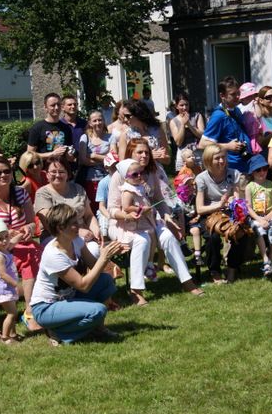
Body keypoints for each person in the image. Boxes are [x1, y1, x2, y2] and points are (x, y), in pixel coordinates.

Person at [109, 139, 203, 297]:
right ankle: (136, 290)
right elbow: (112, 209)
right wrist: (128, 214)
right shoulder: (120, 175)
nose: (144, 155)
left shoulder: (151, 172)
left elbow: (159, 201)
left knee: (168, 237)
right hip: (124, 224)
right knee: (142, 241)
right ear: (130, 154)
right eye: (139, 152)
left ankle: (187, 281)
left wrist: (167, 216)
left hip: (149, 219)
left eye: (146, 152)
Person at [28, 204, 124, 346]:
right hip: (46, 307)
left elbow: (94, 265)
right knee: (98, 311)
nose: (79, 225)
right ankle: (58, 332)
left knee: (105, 280)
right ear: (61, 228)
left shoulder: (76, 241)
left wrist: (111, 255)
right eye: (74, 224)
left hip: (68, 297)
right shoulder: (53, 255)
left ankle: (98, 328)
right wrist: (104, 258)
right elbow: (83, 286)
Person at [0, 155, 41, 329]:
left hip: (23, 243)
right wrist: (11, 235)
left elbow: (31, 221)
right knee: (31, 256)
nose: (3, 175)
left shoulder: (20, 192)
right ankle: (30, 311)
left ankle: (36, 307)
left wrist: (28, 228)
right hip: (0, 250)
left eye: (6, 171)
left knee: (36, 252)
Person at [195, 144, 243, 284]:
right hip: (210, 213)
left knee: (239, 231)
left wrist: (233, 201)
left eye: (223, 157)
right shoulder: (201, 178)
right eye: (217, 158)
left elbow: (236, 197)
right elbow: (199, 209)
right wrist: (218, 205)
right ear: (209, 160)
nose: (221, 161)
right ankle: (214, 270)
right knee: (212, 237)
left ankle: (232, 267)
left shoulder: (233, 173)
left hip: (228, 211)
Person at [34, 159, 100, 254]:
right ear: (47, 174)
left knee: (94, 250)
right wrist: (77, 231)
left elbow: (89, 216)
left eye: (61, 172)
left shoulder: (78, 189)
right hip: (56, 236)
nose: (57, 175)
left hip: (84, 234)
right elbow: (50, 223)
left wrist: (96, 230)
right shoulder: (42, 193)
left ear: (68, 174)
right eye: (53, 172)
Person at [116, 159, 158, 303]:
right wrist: (141, 209)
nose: (139, 176)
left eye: (141, 173)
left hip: (145, 221)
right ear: (126, 177)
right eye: (135, 174)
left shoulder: (139, 186)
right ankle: (140, 281)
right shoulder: (128, 190)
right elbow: (126, 207)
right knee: (145, 238)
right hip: (134, 225)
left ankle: (149, 264)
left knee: (153, 235)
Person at [200, 76, 251, 173]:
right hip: (230, 170)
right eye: (233, 94)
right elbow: (202, 144)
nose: (237, 97)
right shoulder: (218, 116)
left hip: (244, 166)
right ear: (222, 96)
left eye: (238, 93)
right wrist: (228, 146)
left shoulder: (236, 110)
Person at [0, 219, 22, 344]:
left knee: (13, 313)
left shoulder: (4, 248)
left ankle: (13, 334)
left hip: (9, 289)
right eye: (0, 239)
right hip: (4, 290)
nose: (5, 241)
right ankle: (5, 337)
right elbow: (2, 274)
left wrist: (21, 233)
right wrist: (15, 284)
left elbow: (13, 241)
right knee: (11, 313)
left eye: (6, 236)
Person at [245, 155, 272, 277]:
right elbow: (248, 207)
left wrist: (271, 215)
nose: (262, 172)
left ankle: (269, 260)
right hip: (256, 216)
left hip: (271, 215)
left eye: (264, 169)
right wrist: (259, 219)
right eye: (258, 170)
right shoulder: (249, 187)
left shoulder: (271, 184)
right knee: (258, 230)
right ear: (252, 172)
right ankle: (265, 258)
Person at [116, 99, 170, 164]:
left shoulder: (157, 130)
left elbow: (168, 160)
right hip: (136, 173)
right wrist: (148, 156)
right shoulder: (125, 135)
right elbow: (122, 163)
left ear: (138, 114)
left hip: (156, 172)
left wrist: (160, 157)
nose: (125, 119)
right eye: (124, 116)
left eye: (128, 116)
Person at [27, 93, 76, 164]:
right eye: (53, 105)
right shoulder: (37, 128)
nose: (56, 108)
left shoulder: (66, 128)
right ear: (45, 107)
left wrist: (70, 155)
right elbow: (29, 155)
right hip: (44, 171)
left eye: (58, 105)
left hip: (61, 170)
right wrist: (52, 154)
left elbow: (68, 151)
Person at [77, 110, 113, 202]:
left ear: (104, 121)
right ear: (90, 123)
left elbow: (113, 159)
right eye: (95, 120)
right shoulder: (85, 138)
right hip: (90, 180)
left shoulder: (111, 137)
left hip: (107, 179)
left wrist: (93, 155)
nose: (98, 123)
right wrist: (105, 159)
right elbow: (83, 160)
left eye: (100, 120)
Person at [168, 93, 206, 171]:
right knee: (184, 180)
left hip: (197, 153)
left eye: (186, 105)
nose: (184, 108)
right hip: (183, 154)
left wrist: (189, 125)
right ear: (177, 106)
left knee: (200, 179)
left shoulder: (197, 116)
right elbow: (178, 142)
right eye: (181, 105)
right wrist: (182, 124)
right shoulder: (173, 121)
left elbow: (202, 136)